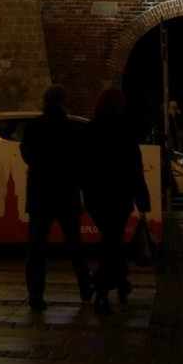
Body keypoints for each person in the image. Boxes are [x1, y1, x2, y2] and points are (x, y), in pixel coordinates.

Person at [19, 85, 92, 311]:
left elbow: (27, 155)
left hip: (40, 193)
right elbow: (81, 161)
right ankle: (85, 287)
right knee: (74, 245)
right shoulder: (72, 129)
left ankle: (35, 294)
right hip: (66, 192)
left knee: (37, 248)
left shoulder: (33, 127)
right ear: (63, 102)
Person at [82, 87, 150, 316]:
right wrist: (142, 198)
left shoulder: (90, 129)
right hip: (120, 195)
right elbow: (134, 167)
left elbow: (82, 165)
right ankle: (105, 288)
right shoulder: (125, 130)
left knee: (111, 240)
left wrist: (86, 189)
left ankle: (117, 283)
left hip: (97, 196)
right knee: (114, 240)